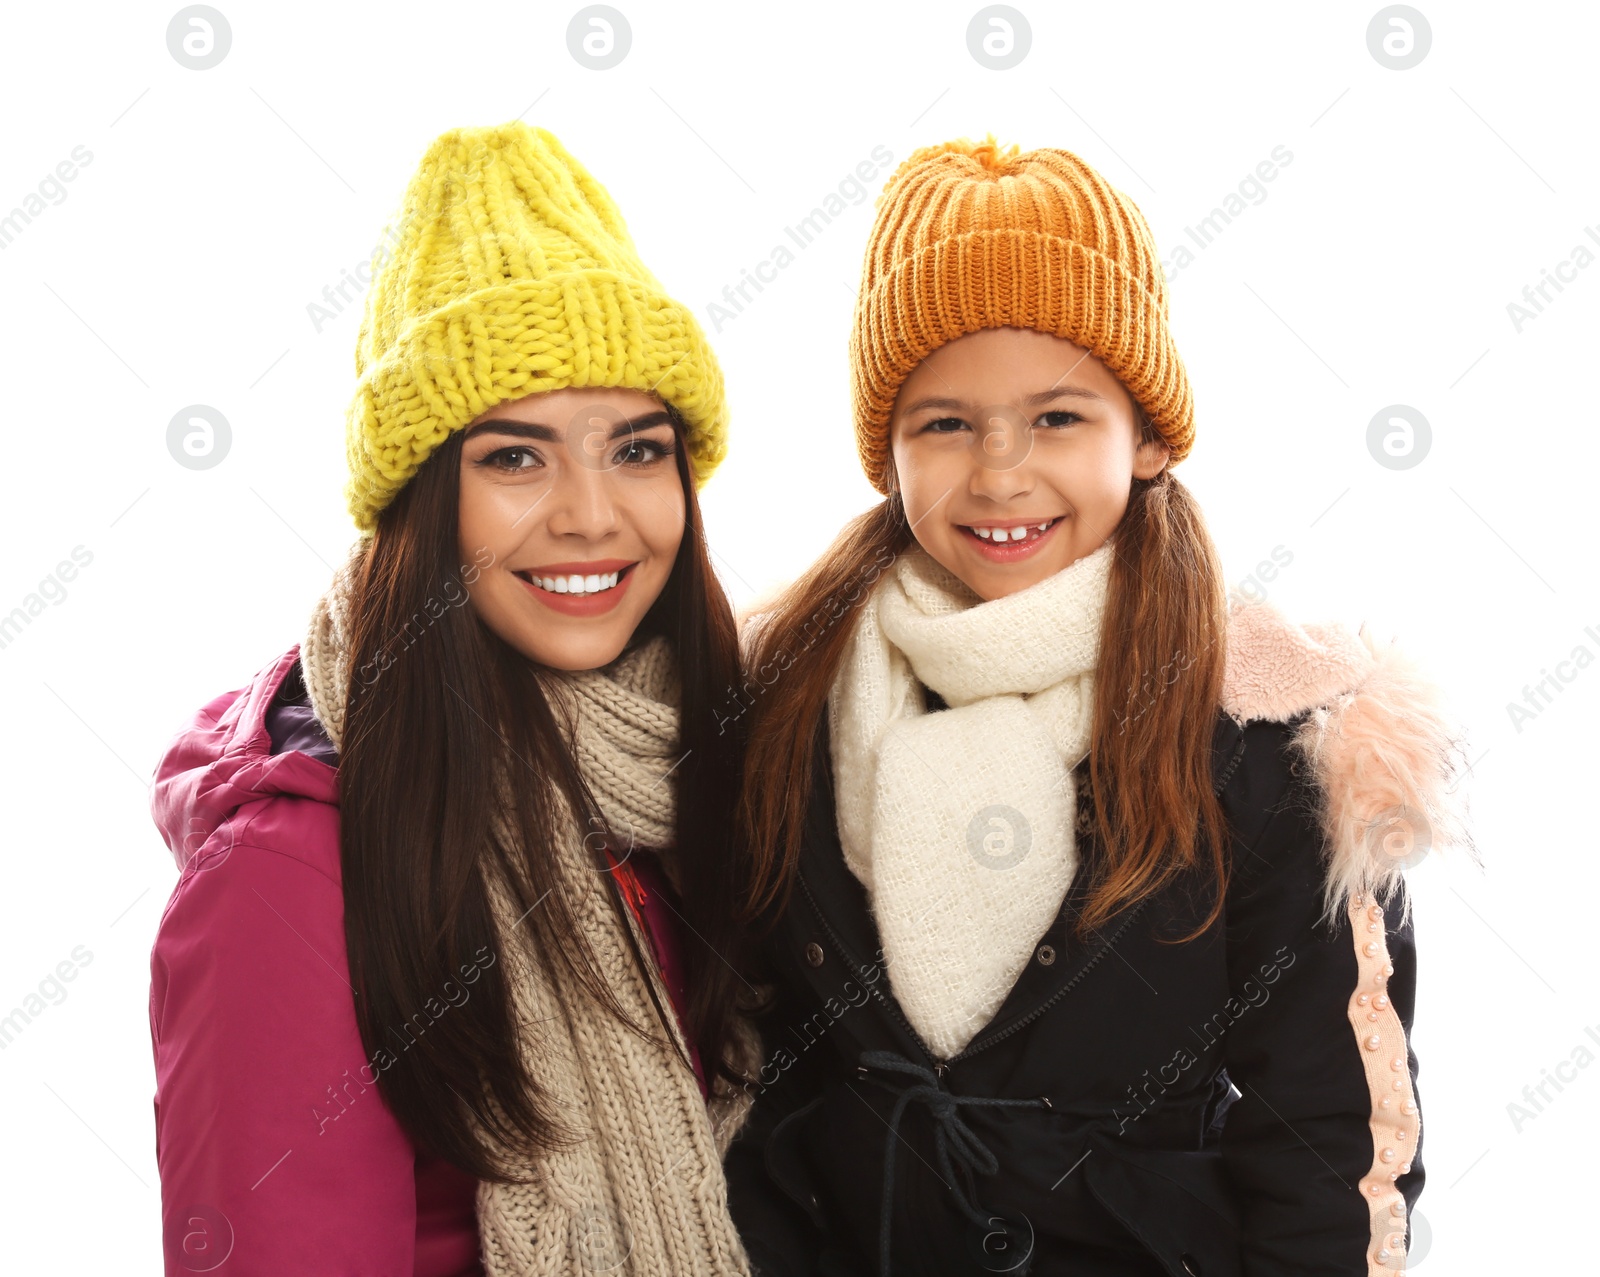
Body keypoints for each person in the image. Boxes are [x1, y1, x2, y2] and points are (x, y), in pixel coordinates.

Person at [723, 136, 1473, 1277]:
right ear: (885, 451)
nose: (999, 470)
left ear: (1150, 434)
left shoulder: (1267, 736)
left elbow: (1327, 1137)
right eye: (944, 421)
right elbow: (750, 1063)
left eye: (1059, 418)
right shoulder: (789, 698)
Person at [148, 121, 759, 1276]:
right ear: (423, 500)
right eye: (515, 458)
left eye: (636, 449)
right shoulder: (286, 874)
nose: (591, 514)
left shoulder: (687, 764)